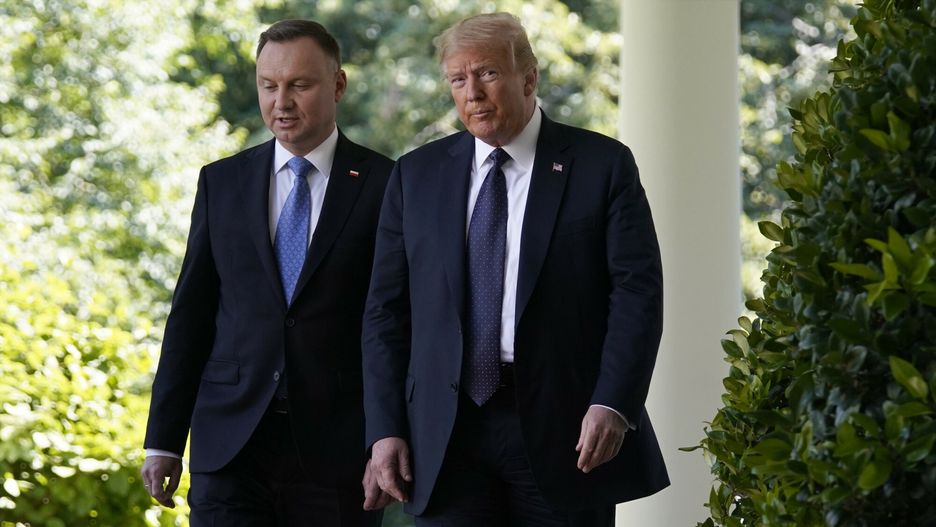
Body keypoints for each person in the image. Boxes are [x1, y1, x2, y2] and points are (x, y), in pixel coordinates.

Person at [362, 12, 669, 526]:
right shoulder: (415, 176)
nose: (472, 93)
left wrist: (614, 403)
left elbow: (637, 294)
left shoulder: (602, 165)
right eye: (458, 80)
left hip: (565, 429)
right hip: (446, 433)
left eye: (486, 73)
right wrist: (384, 427)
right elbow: (384, 314)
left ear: (529, 78)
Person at [140, 19, 394, 526]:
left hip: (338, 449)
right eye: (269, 85)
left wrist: (388, 437)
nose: (282, 102)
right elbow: (190, 315)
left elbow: (394, 322)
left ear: (338, 85)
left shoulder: (387, 184)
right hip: (230, 445)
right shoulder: (222, 182)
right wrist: (163, 439)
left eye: (300, 85)